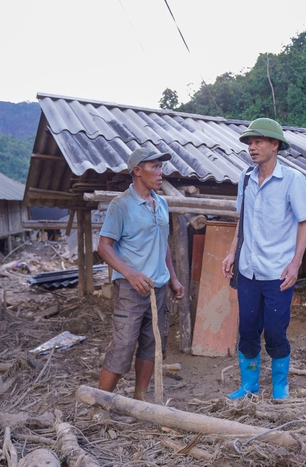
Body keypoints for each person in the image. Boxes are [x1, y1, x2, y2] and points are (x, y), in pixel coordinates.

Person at [221, 118, 306, 400]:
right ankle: (249, 384)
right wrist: (231, 252)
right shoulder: (245, 178)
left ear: (275, 145)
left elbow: (304, 222)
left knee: (275, 329)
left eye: (259, 141)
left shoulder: (292, 180)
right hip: (248, 269)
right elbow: (243, 219)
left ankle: (280, 383)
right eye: (250, 142)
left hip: (278, 271)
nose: (252, 147)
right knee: (247, 328)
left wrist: (296, 263)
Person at [95, 147, 185, 412]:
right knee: (123, 346)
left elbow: (163, 244)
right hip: (130, 288)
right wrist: (129, 273)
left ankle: (140, 397)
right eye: (154, 167)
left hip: (157, 287)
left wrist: (173, 278)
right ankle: (101, 405)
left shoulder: (162, 203)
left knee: (152, 343)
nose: (160, 172)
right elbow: (104, 246)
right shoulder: (121, 205)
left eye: (161, 167)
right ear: (137, 171)